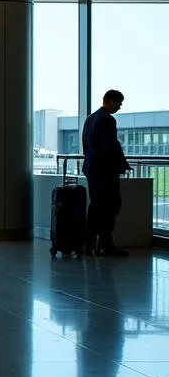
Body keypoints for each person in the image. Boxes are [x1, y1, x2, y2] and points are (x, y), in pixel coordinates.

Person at [81, 89, 131, 257]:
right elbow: (110, 145)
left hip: (92, 168)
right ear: (110, 101)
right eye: (119, 103)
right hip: (105, 170)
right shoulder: (107, 120)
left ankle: (89, 243)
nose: (119, 107)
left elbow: (87, 145)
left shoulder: (90, 118)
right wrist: (121, 164)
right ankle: (105, 243)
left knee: (96, 206)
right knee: (112, 205)